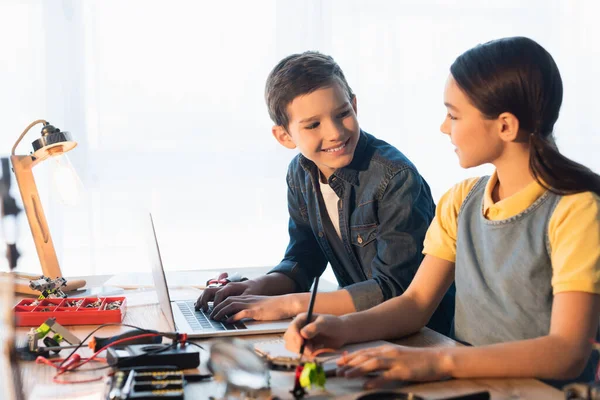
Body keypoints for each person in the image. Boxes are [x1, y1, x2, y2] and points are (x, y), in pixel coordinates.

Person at [283, 37, 600, 389]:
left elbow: (568, 352)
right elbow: (415, 303)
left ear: (505, 125)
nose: (444, 127)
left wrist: (437, 360)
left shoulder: (577, 210)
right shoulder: (460, 200)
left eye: (454, 115)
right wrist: (338, 327)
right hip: (468, 385)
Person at [195, 51, 455, 335]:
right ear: (284, 136)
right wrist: (254, 288)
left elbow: (393, 291)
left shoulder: (395, 177)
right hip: (360, 330)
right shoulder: (300, 174)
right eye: (313, 125)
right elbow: (304, 258)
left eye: (343, 114)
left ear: (354, 105)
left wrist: (287, 305)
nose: (335, 132)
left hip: (424, 336)